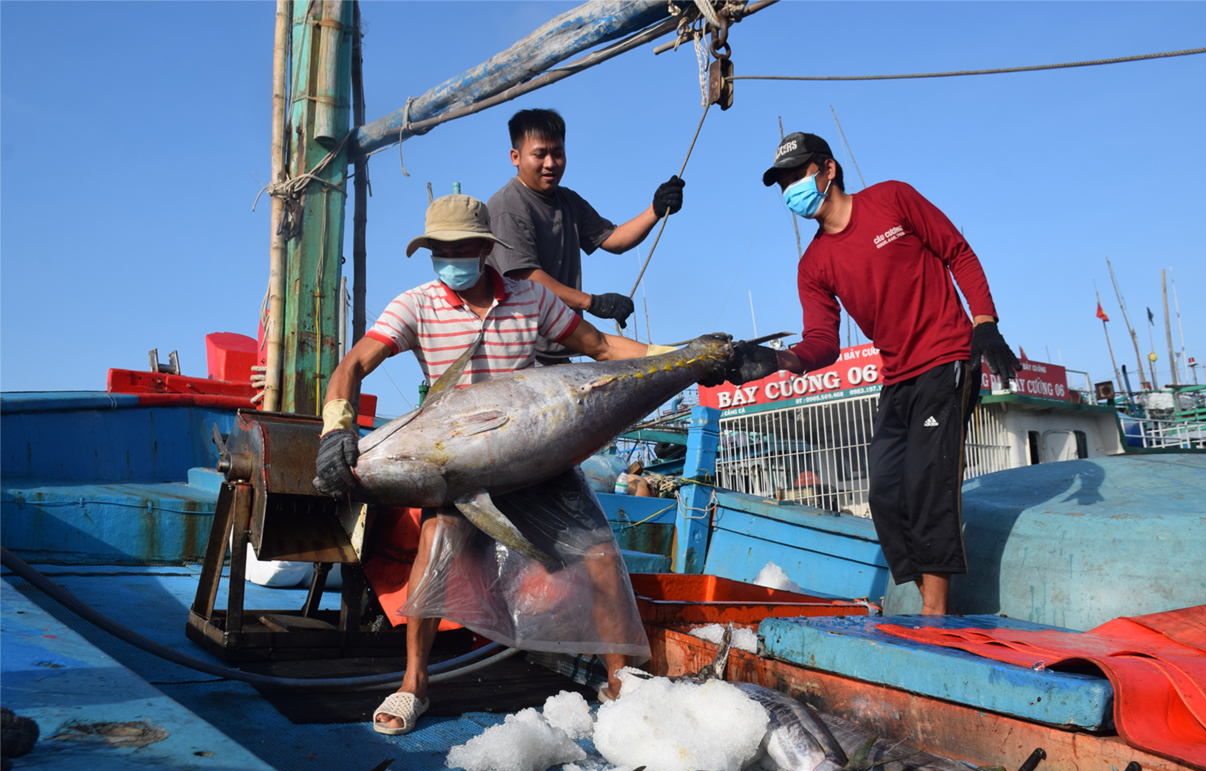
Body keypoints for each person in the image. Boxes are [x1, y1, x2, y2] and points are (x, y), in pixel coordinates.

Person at [314, 194, 671, 734]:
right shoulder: (416, 305)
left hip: (531, 459)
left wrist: (687, 356)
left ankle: (620, 680)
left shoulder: (530, 298)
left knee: (600, 554)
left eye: (457, 248)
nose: (446, 258)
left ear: (484, 249)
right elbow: (355, 363)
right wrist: (337, 425)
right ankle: (415, 684)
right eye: (437, 249)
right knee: (435, 548)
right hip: (459, 466)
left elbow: (599, 346)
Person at [728, 132, 1021, 616]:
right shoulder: (813, 265)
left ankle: (935, 616)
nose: (789, 190)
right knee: (884, 494)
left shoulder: (892, 199)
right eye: (781, 183)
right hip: (898, 375)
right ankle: (929, 601)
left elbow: (958, 253)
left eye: (796, 175)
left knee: (928, 481)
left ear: (828, 169)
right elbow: (823, 342)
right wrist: (780, 360)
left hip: (947, 357)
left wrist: (984, 324)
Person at [487, 108, 685, 364]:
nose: (550, 163)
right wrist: (592, 303)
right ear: (515, 156)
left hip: (560, 346)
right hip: (520, 354)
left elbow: (613, 240)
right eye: (540, 154)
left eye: (557, 153)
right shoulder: (507, 205)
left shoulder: (568, 200)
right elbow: (527, 278)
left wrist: (655, 209)